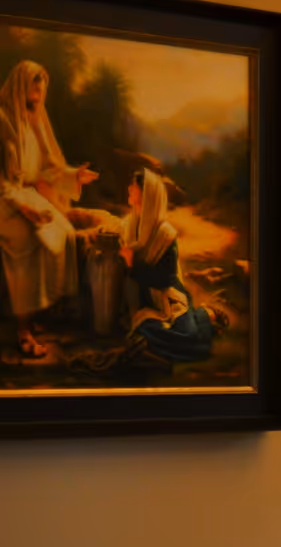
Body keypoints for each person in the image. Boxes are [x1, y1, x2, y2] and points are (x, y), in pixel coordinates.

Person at [0, 61, 95, 355]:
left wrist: (73, 176)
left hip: (26, 194)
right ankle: (23, 330)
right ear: (20, 88)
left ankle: (41, 313)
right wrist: (25, 209)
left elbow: (48, 168)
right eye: (34, 90)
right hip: (4, 199)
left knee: (63, 231)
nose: (39, 97)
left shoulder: (35, 120)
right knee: (28, 239)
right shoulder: (2, 120)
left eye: (42, 91)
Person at [117, 169, 214, 365]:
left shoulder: (166, 234)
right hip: (143, 299)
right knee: (148, 328)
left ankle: (203, 315)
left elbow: (165, 279)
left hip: (168, 297)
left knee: (190, 337)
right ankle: (201, 319)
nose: (129, 189)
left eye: (133, 187)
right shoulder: (127, 225)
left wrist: (133, 263)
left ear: (147, 195)